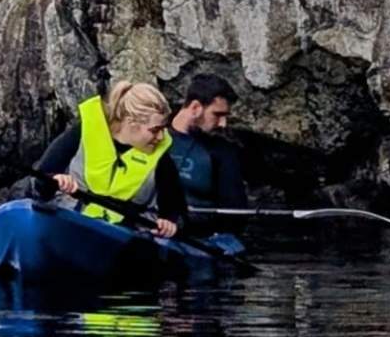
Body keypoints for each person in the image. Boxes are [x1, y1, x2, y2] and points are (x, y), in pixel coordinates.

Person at [33, 81, 185, 238]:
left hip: (123, 240)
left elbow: (175, 212)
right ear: (131, 123)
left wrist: (169, 223)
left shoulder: (162, 160)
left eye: (163, 129)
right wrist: (55, 180)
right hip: (71, 226)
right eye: (155, 130)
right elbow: (40, 183)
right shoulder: (82, 133)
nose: (161, 137)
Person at [168, 74, 248, 211]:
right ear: (195, 108)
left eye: (225, 116)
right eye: (217, 115)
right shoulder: (152, 137)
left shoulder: (223, 152)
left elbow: (235, 212)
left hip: (197, 229)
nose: (223, 124)